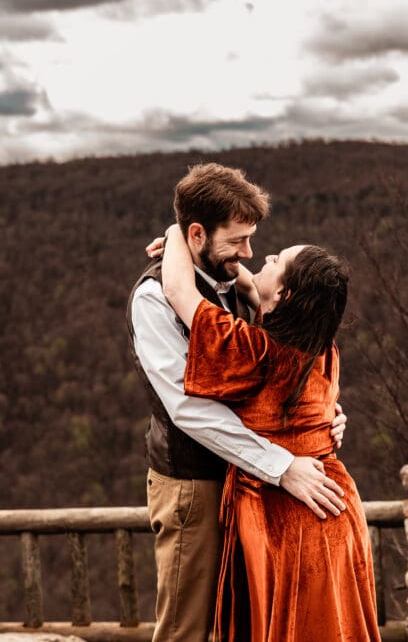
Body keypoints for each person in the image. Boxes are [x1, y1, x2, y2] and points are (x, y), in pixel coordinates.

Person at [126, 163, 348, 642]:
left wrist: (321, 418)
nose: (248, 253)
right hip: (194, 486)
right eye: (238, 240)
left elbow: (277, 378)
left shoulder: (235, 286)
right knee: (187, 628)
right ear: (199, 234)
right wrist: (282, 464)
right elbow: (189, 410)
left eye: (253, 240)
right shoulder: (154, 300)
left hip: (250, 485)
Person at [161, 222, 380, 641]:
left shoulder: (254, 350)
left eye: (276, 260)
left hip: (285, 520)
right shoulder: (322, 346)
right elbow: (247, 284)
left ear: (284, 297)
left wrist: (177, 232)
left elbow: (177, 291)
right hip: (336, 507)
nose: (263, 258)